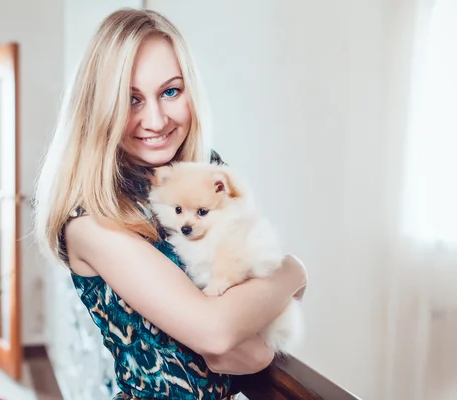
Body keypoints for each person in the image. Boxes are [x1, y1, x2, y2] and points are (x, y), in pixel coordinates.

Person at [34, 8, 307, 400]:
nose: (157, 120)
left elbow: (255, 271)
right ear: (99, 109)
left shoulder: (203, 171)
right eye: (131, 99)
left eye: (170, 91)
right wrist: (294, 270)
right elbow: (217, 333)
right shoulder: (91, 221)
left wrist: (266, 303)